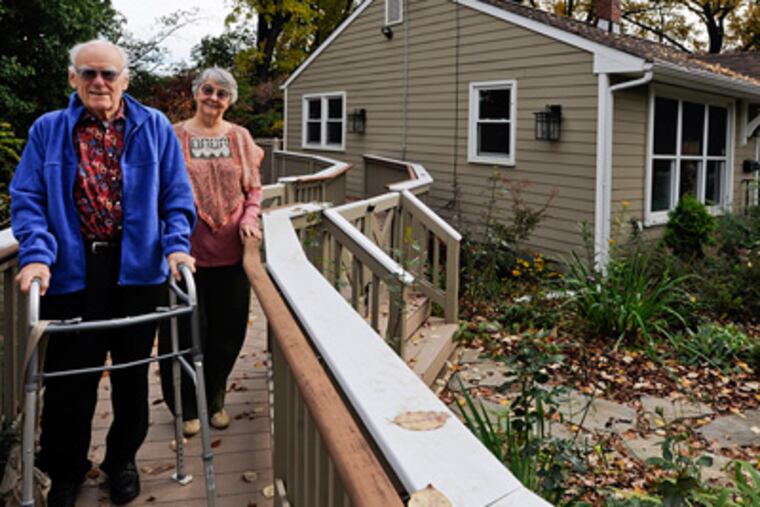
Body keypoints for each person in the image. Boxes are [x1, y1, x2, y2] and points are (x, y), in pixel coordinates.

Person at [10, 40, 196, 506]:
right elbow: (28, 200)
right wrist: (35, 254)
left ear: (125, 80)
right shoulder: (48, 130)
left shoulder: (153, 126)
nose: (99, 82)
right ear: (73, 78)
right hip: (72, 269)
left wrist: (176, 248)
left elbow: (176, 196)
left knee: (133, 377)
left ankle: (121, 461)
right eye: (88, 73)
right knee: (70, 378)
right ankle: (64, 468)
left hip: (138, 269)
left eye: (108, 74)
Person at [158, 67, 263, 437]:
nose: (213, 98)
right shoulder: (173, 136)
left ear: (229, 100)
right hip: (185, 256)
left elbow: (254, 190)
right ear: (195, 92)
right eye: (208, 89)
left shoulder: (241, 137)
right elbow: (161, 190)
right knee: (185, 334)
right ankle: (185, 407)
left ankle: (214, 397)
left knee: (229, 332)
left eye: (222, 93)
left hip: (233, 255)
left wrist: (251, 218)